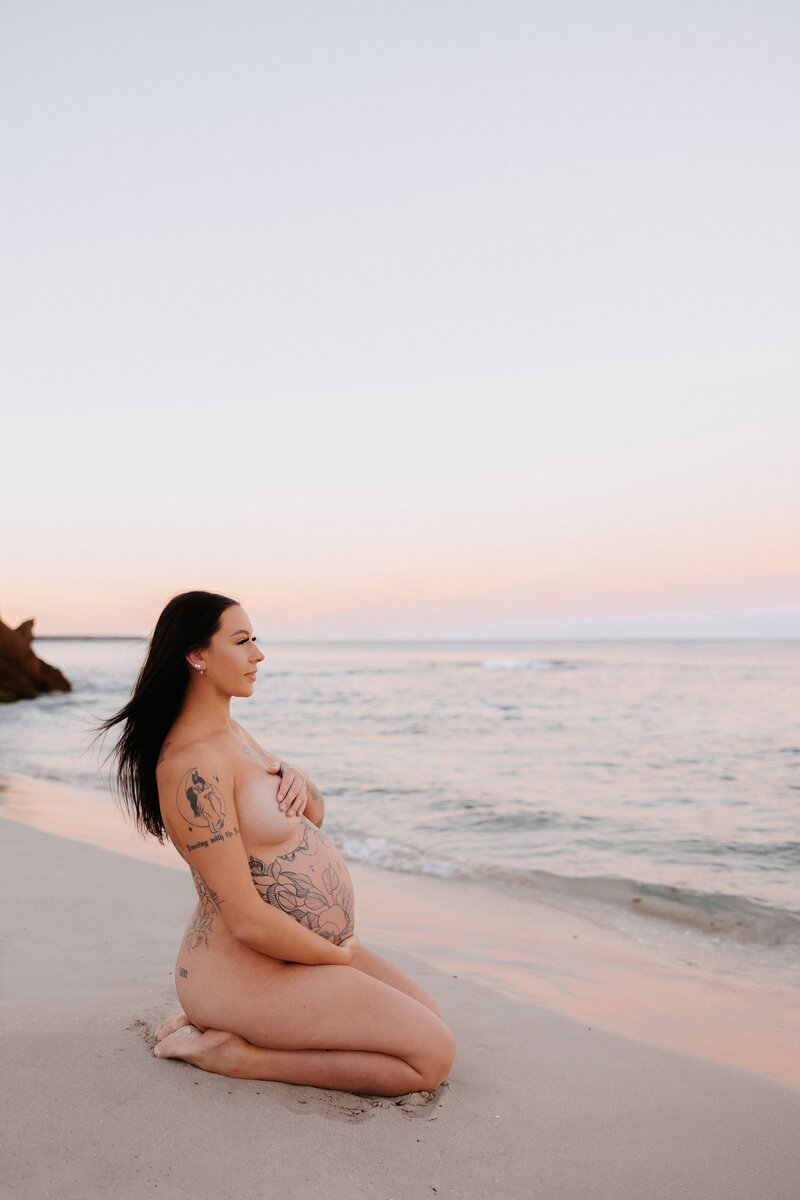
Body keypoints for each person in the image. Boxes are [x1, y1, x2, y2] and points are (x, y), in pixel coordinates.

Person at [101, 591, 455, 1096]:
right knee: (432, 1056)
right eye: (242, 641)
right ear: (196, 655)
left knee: (429, 1016)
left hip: (288, 956)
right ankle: (238, 1054)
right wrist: (335, 958)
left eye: (255, 640)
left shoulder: (233, 732)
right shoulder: (189, 766)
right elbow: (244, 917)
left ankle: (234, 1021)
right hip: (243, 970)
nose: (258, 655)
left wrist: (298, 778)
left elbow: (313, 815)